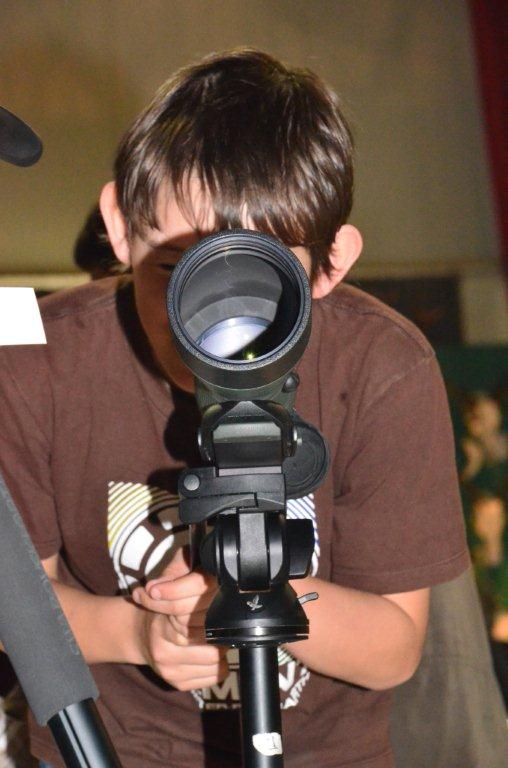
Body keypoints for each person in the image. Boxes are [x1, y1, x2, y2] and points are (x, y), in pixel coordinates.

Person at [0, 49, 471, 768]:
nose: (208, 322)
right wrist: (138, 634)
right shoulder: (36, 358)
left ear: (332, 262)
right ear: (119, 226)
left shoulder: (383, 365)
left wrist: (257, 592)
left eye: (262, 280)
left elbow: (395, 649)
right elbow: (15, 607)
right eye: (174, 270)